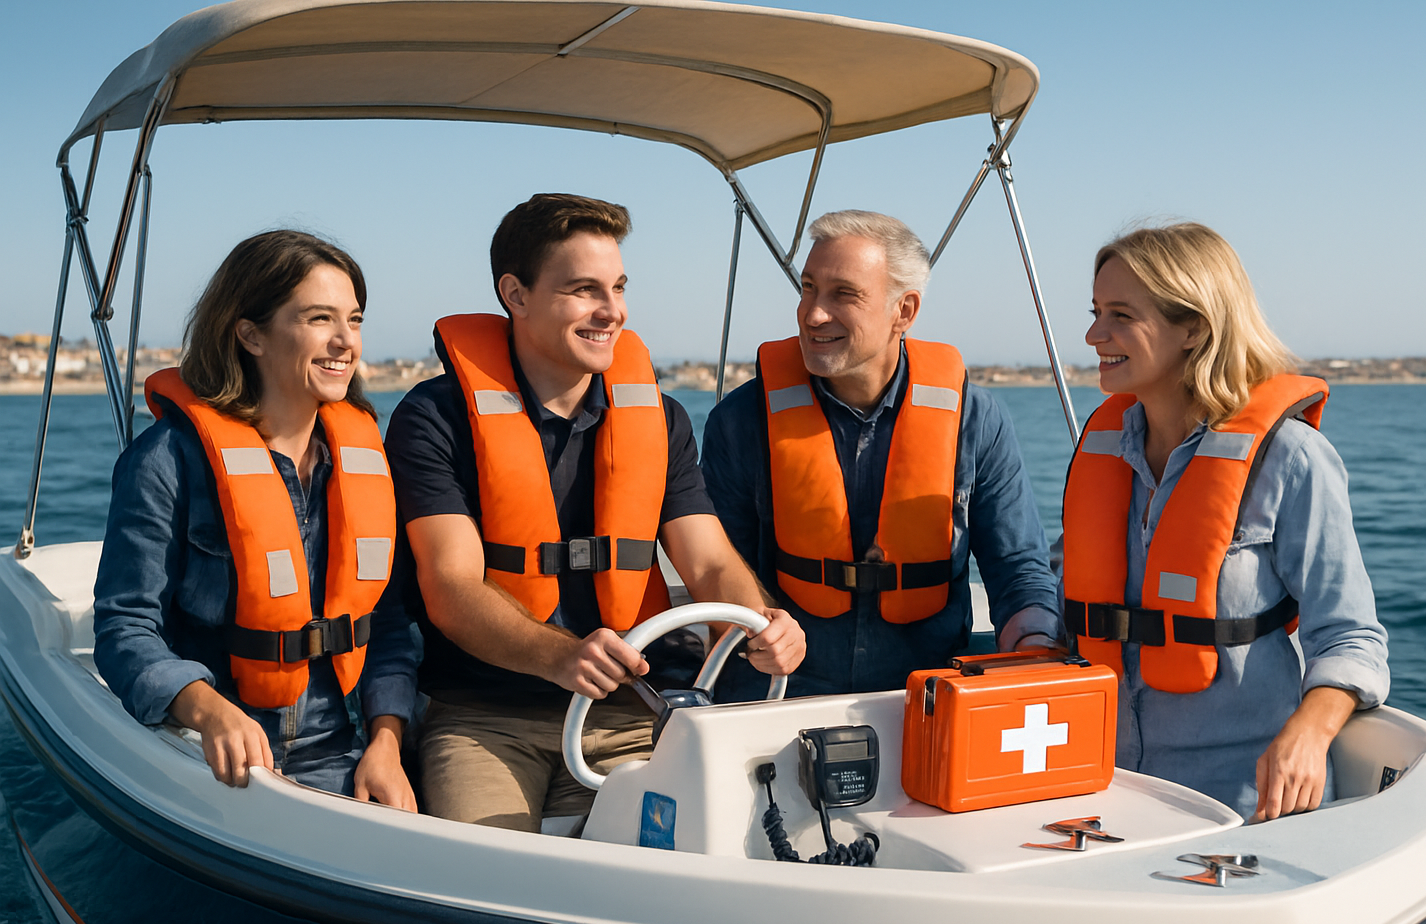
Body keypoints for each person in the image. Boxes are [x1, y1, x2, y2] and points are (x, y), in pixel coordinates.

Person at [386, 193, 804, 833]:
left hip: (632, 711)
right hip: (485, 718)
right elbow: (450, 585)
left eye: (618, 287)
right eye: (583, 290)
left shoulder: (660, 421)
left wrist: (761, 622)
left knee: (691, 857)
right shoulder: (433, 419)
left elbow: (711, 560)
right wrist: (559, 656)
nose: (612, 312)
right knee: (492, 877)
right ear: (516, 295)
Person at [1062, 222, 1389, 821]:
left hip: (1242, 800)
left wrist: (1310, 735)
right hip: (1101, 788)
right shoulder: (1103, 454)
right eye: (1094, 311)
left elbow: (1352, 636)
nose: (1092, 334)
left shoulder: (1291, 459)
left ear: (1193, 328)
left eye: (1119, 315)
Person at [94, 230, 417, 808]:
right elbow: (125, 629)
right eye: (320, 319)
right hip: (203, 753)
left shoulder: (363, 461)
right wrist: (209, 711)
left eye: (355, 320)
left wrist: (386, 743)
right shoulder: (165, 460)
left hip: (341, 750)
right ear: (250, 334)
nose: (346, 341)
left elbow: (385, 624)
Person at [701, 210, 1060, 700]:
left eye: (842, 294)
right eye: (808, 288)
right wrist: (763, 625)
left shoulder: (975, 420)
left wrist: (1035, 643)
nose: (813, 314)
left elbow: (1016, 566)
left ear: (904, 312)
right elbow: (718, 560)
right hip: (777, 693)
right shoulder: (740, 420)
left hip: (923, 697)